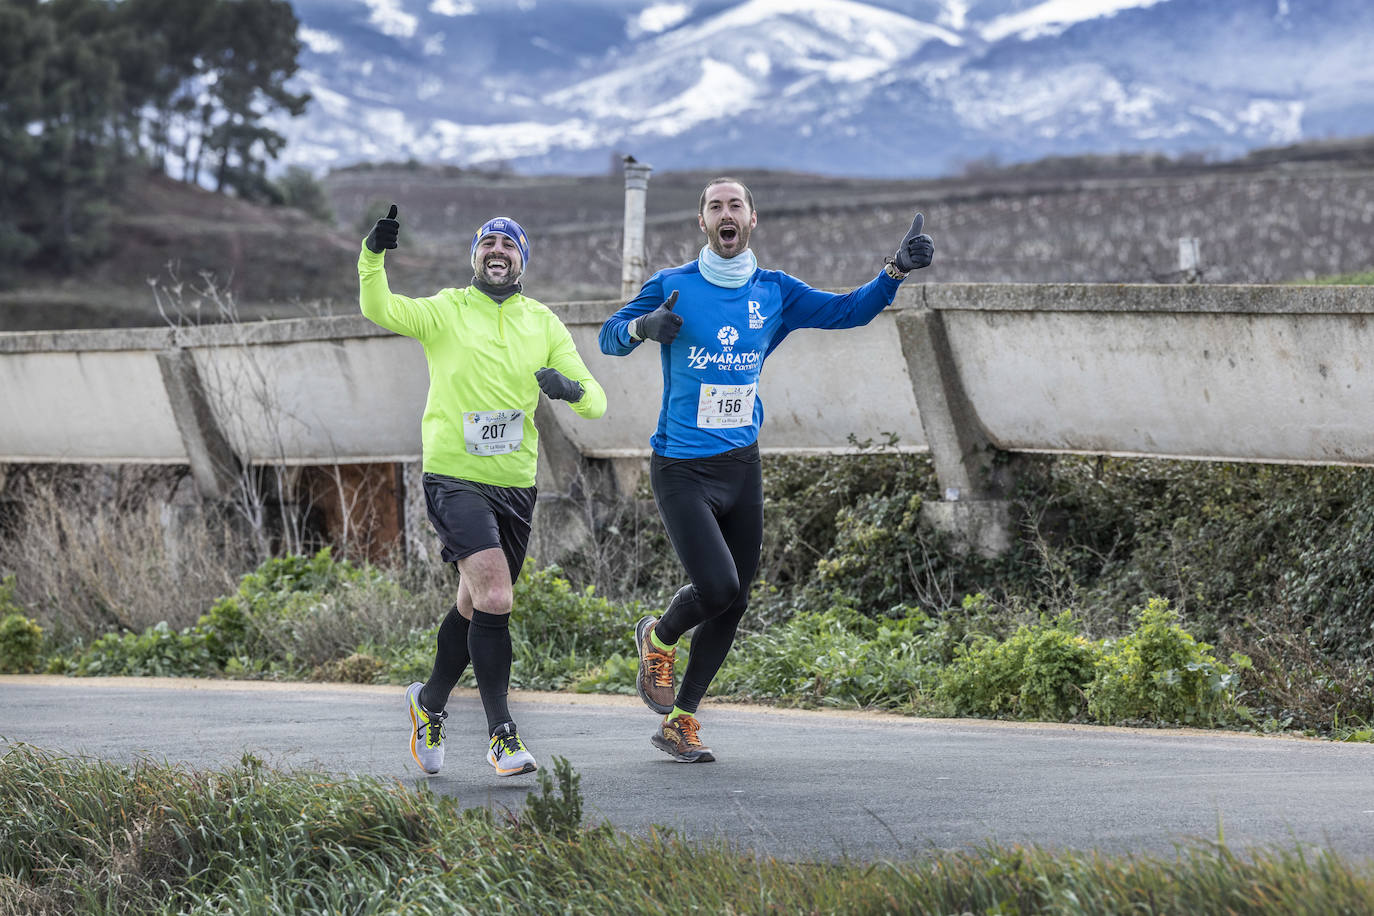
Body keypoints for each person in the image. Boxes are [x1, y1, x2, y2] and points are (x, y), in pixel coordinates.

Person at [597, 177, 934, 763]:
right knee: (718, 587)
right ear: (702, 222)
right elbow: (609, 338)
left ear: (752, 219)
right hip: (681, 467)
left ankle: (681, 720)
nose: (725, 213)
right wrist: (641, 327)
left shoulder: (774, 291)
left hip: (741, 465)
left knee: (736, 600)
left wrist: (895, 270)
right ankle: (660, 636)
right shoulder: (673, 286)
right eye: (715, 206)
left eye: (736, 205)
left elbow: (847, 311)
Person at [359, 205, 607, 777]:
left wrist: (569, 388)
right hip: (453, 476)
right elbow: (379, 307)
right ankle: (502, 735)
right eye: (488, 243)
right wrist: (373, 255)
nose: (498, 251)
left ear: (522, 260)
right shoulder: (446, 310)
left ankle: (429, 704)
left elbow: (596, 401)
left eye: (509, 245)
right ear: (474, 256)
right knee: (495, 595)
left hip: (515, 484)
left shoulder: (542, 323)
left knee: (474, 605)